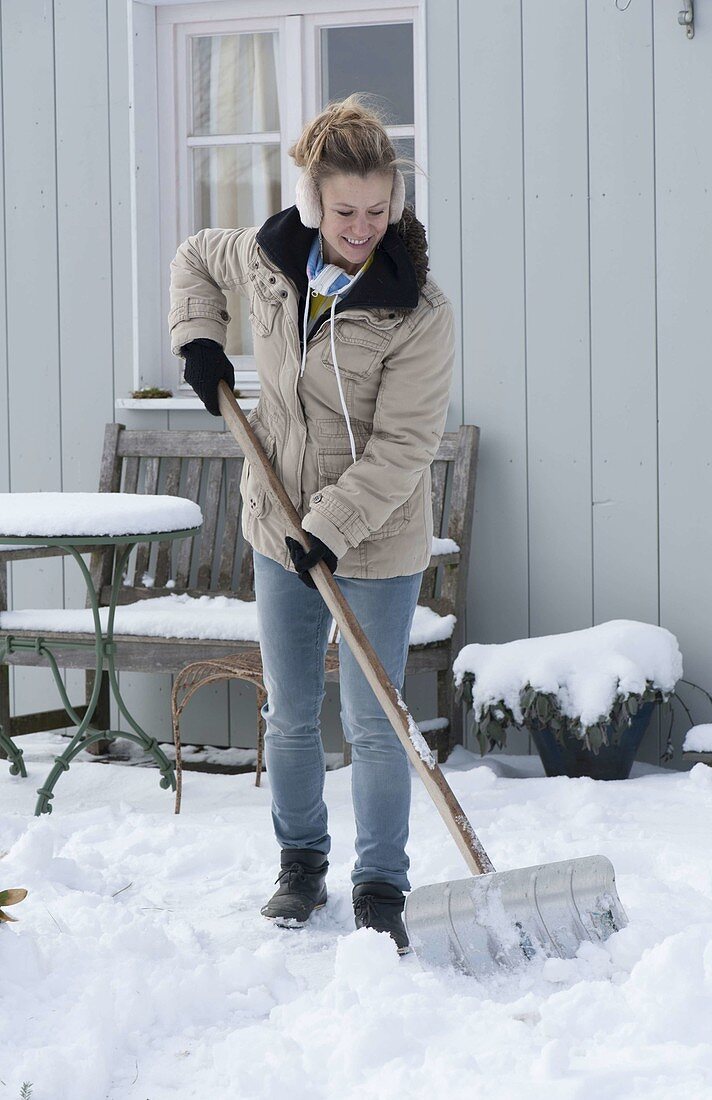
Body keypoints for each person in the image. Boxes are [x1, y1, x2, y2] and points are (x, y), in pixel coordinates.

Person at [169, 95, 455, 953]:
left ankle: (380, 885)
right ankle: (301, 864)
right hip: (275, 526)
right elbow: (193, 257)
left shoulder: (419, 312)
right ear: (311, 201)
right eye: (343, 211)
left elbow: (408, 443)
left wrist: (328, 526)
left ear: (394, 203)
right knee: (290, 712)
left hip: (373, 537)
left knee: (375, 723)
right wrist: (199, 343)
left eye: (377, 211)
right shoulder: (265, 261)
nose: (361, 228)